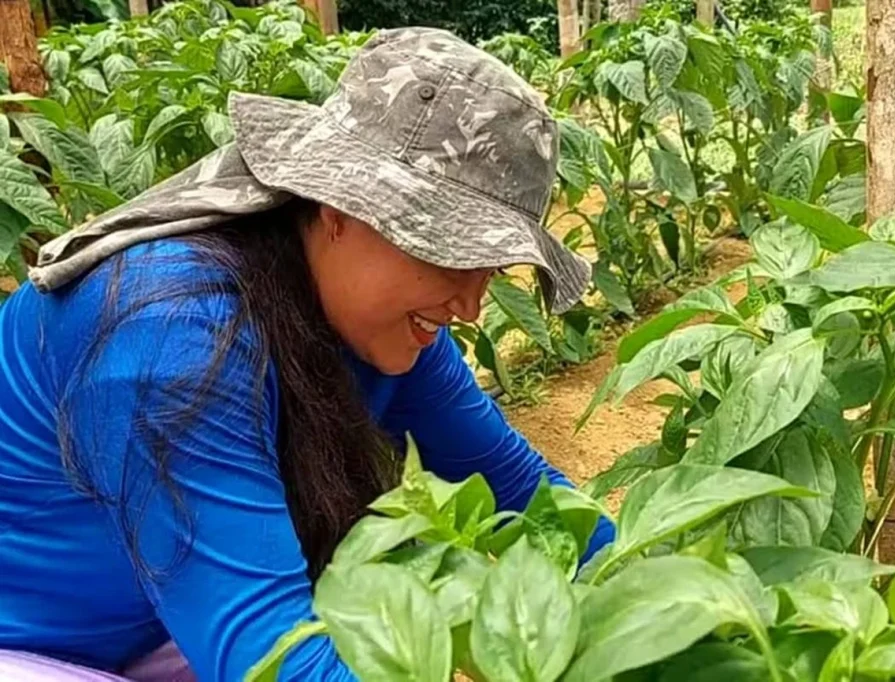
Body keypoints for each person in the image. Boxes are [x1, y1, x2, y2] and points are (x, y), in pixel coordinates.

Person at [0, 27, 614, 682]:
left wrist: (653, 585)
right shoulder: (171, 336)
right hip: (33, 648)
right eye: (445, 248)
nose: (469, 304)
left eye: (489, 265)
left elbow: (516, 486)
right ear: (335, 204)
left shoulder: (376, 317)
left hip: (164, 616)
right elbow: (273, 663)